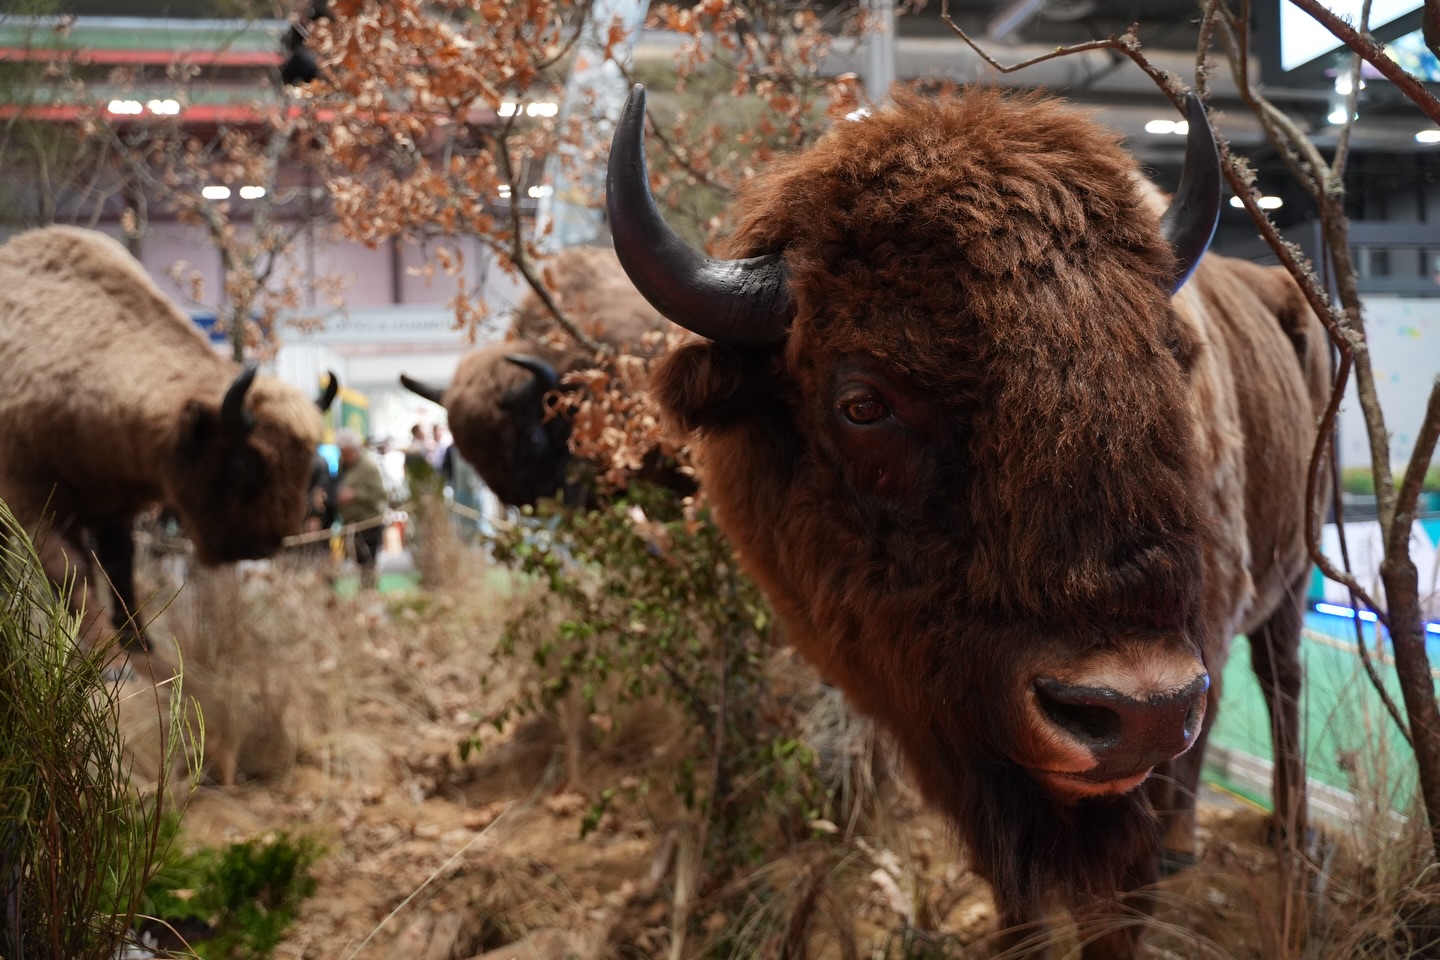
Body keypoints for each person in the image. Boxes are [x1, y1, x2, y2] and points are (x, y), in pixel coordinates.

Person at [335, 429, 389, 590]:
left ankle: (369, 593)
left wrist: (355, 495)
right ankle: (364, 593)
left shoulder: (368, 467)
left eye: (346, 452)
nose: (343, 456)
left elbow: (380, 494)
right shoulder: (343, 464)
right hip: (351, 523)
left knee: (368, 563)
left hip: (369, 523)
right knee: (358, 562)